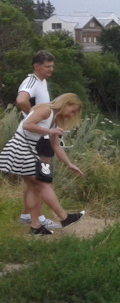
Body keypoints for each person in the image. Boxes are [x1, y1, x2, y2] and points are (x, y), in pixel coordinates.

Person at [0, 93, 86, 235]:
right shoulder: (46, 110)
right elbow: (27, 125)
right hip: (21, 147)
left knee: (35, 187)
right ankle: (64, 218)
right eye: (73, 111)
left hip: (28, 148)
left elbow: (55, 146)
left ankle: (36, 227)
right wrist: (49, 131)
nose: (72, 115)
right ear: (66, 104)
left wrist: (69, 164)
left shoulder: (55, 120)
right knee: (42, 183)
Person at [15, 50, 60, 229]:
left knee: (31, 178)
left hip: (40, 133)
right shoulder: (31, 81)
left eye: (52, 66)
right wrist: (32, 115)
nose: (51, 70)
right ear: (36, 66)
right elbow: (21, 100)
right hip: (35, 134)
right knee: (40, 177)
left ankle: (27, 214)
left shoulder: (42, 81)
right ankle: (39, 219)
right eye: (48, 66)